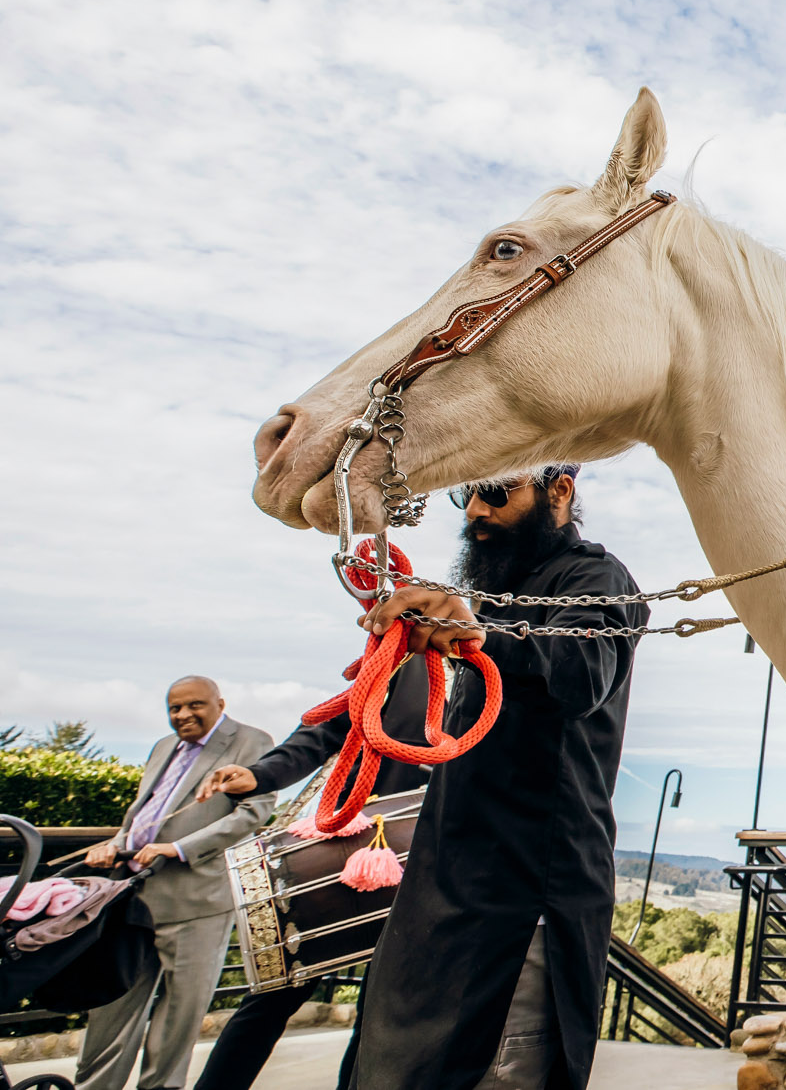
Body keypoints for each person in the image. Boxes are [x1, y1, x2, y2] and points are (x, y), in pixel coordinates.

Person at [345, 464, 646, 1090]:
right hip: (448, 883)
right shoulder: (500, 593)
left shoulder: (595, 576)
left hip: (525, 897)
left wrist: (477, 631)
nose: (476, 511)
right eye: (467, 495)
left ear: (559, 491)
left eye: (497, 493)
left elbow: (580, 678)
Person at [187, 662, 433, 1090]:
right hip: (350, 851)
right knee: (270, 999)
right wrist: (260, 775)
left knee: (382, 1015)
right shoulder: (404, 662)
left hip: (433, 868)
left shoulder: (501, 672)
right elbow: (321, 733)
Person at [74, 678, 274, 1090]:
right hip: (131, 897)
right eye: (174, 708)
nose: (182, 715)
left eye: (194, 705)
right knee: (109, 1008)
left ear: (220, 703)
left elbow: (253, 813)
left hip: (196, 901)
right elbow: (143, 813)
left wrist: (177, 848)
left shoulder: (252, 741)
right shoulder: (164, 746)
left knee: (177, 1019)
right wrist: (116, 842)